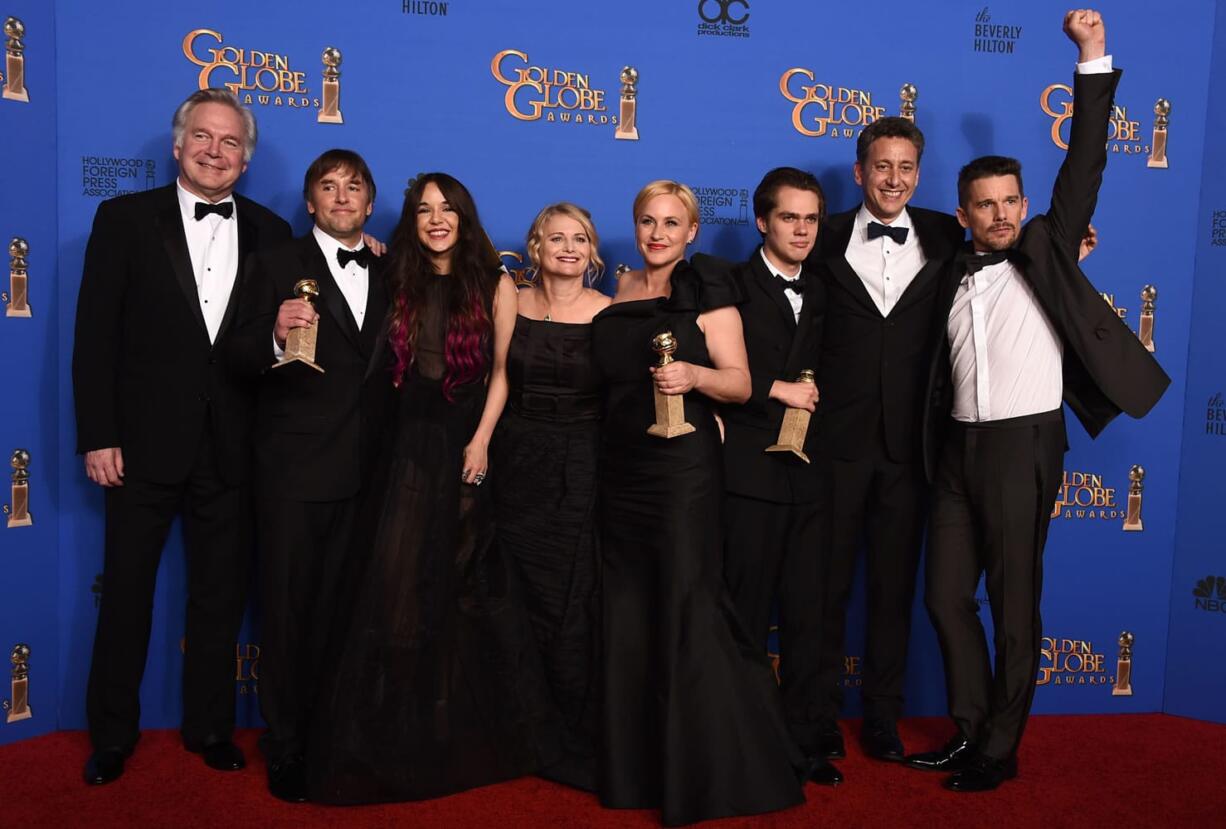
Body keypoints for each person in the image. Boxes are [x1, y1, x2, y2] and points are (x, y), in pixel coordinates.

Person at [911, 9, 1169, 792]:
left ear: (1023, 203)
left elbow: (1085, 160)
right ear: (963, 213)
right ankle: (968, 726)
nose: (1000, 213)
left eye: (1010, 200)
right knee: (946, 596)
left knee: (1015, 603)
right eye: (984, 204)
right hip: (955, 448)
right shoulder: (946, 269)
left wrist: (1091, 55)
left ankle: (1001, 745)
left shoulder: (1047, 248)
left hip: (1025, 444)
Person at [307, 172, 551, 804]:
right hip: (403, 446)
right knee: (396, 589)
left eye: (447, 208)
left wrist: (481, 443)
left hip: (465, 441)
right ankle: (395, 733)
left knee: (459, 586)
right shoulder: (396, 276)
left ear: (465, 217)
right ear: (411, 220)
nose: (436, 218)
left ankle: (446, 733)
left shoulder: (496, 282)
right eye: (424, 209)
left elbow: (502, 374)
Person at [72, 89, 291, 786]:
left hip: (232, 446)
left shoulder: (271, 231)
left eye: (230, 142)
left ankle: (210, 726)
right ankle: (111, 735)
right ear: (178, 144)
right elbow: (93, 338)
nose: (215, 151)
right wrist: (99, 433)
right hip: (138, 445)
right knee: (128, 594)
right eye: (203, 137)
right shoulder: (122, 219)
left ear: (246, 157)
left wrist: (369, 245)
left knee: (219, 599)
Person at [592, 180, 810, 825]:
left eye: (671, 223)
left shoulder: (708, 286)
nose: (657, 233)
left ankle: (712, 771)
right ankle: (637, 769)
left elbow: (740, 385)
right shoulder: (620, 290)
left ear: (692, 231)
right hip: (622, 468)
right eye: (646, 221)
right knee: (631, 614)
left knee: (689, 605)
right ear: (634, 228)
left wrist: (692, 377)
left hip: (682, 470)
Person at [226, 149, 391, 802]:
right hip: (294, 469)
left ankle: (340, 731)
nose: (343, 196)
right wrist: (272, 333)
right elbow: (235, 353)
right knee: (290, 612)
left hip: (372, 470)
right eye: (329, 186)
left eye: (354, 187)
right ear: (311, 201)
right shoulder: (274, 264)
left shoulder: (389, 267)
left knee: (352, 611)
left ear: (370, 203)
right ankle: (287, 742)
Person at [805, 114, 964, 763]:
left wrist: (1071, 253)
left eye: (905, 167)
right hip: (834, 445)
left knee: (894, 591)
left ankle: (881, 717)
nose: (893, 179)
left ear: (918, 174)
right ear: (859, 171)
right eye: (881, 166)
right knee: (824, 589)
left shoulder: (949, 235)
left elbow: (1013, 258)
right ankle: (814, 716)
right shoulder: (823, 234)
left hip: (911, 450)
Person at [720, 167, 841, 785]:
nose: (800, 229)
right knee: (743, 614)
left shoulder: (823, 288)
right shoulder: (729, 284)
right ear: (762, 221)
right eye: (788, 217)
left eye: (811, 219)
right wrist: (776, 388)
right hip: (748, 473)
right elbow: (712, 367)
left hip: (812, 479)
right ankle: (742, 740)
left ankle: (806, 741)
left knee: (808, 616)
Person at [492, 203, 610, 791]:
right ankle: (516, 730)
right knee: (514, 596)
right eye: (556, 237)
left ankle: (567, 735)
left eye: (580, 238)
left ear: (592, 251)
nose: (568, 247)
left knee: (570, 602)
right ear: (534, 246)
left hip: (581, 466)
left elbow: (628, 400)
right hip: (516, 463)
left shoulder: (610, 314)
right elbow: (498, 376)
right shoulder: (511, 298)